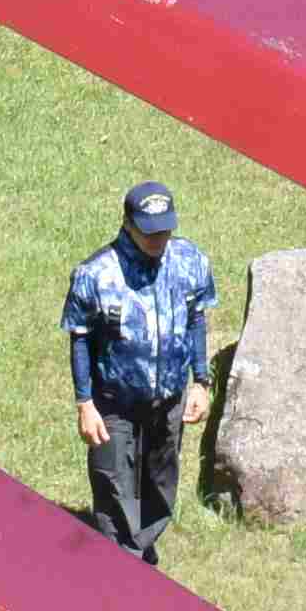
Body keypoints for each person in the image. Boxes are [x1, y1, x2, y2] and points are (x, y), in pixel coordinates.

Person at [62, 177, 217, 563]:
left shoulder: (190, 262)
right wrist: (85, 403)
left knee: (160, 485)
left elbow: (197, 319)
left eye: (165, 231)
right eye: (149, 232)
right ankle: (121, 567)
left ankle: (139, 555)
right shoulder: (94, 274)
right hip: (114, 403)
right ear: (128, 224)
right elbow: (79, 338)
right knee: (114, 486)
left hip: (169, 398)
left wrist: (200, 382)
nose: (158, 240)